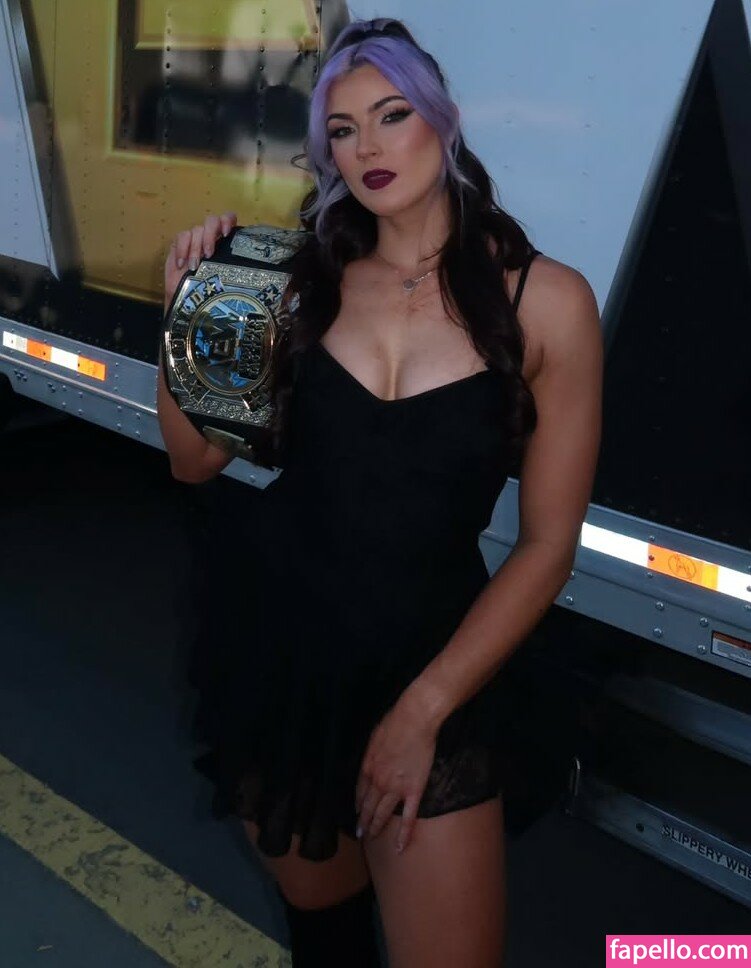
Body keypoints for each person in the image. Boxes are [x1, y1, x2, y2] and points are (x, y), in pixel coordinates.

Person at [157, 17, 603, 968]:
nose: (367, 147)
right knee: (327, 943)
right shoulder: (293, 280)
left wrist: (420, 712)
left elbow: (546, 546)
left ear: (443, 120)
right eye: (343, 130)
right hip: (280, 656)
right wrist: (191, 306)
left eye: (391, 115)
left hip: (434, 673)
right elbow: (194, 460)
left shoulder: (546, 303)